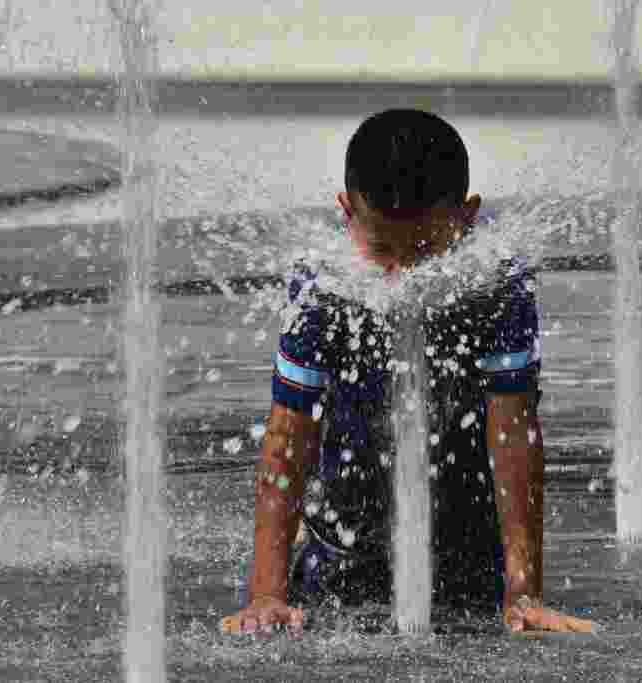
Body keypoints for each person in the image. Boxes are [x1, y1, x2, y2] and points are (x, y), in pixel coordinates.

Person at [222, 109, 591, 635]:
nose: (400, 274)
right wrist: (266, 596)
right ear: (346, 212)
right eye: (381, 252)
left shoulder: (498, 282)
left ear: (466, 218)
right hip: (343, 541)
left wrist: (524, 592)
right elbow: (288, 436)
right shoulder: (320, 282)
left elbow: (512, 436)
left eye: (422, 251)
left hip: (468, 545)